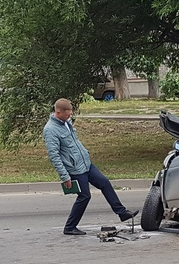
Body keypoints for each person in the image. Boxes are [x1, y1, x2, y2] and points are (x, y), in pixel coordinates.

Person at [43, 98, 137, 236]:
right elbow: (54, 156)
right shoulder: (50, 130)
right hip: (74, 169)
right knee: (84, 196)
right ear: (58, 112)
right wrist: (65, 177)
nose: (70, 116)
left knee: (104, 183)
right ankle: (70, 227)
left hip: (86, 164)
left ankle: (122, 213)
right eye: (67, 113)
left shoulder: (66, 123)